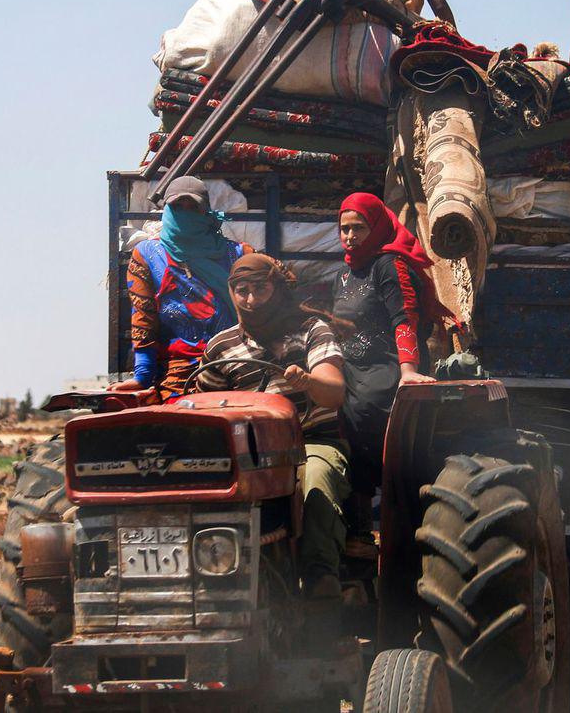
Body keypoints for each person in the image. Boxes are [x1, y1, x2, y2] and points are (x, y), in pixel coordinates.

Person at [193, 253, 349, 598]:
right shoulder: (221, 347)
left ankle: (321, 582)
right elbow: (203, 411)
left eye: (259, 289)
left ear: (277, 288)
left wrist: (308, 382)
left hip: (310, 444)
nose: (249, 299)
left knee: (316, 484)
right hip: (246, 456)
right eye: (241, 290)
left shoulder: (312, 329)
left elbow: (334, 392)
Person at [333, 193, 452, 478]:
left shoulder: (388, 265)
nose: (350, 236)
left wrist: (407, 372)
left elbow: (405, 317)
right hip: (352, 368)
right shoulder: (343, 274)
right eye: (344, 228)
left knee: (369, 405)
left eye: (358, 228)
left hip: (387, 367)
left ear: (376, 227)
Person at [113, 177, 250, 397]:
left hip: (236, 365)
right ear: (166, 210)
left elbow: (273, 295)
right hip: (179, 371)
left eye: (192, 207)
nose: (185, 213)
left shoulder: (238, 254)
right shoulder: (147, 255)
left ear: (205, 211)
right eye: (178, 206)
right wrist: (142, 376)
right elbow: (143, 318)